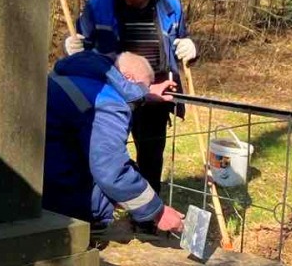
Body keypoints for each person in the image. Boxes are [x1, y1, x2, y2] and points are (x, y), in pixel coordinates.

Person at [64, 0, 196, 196]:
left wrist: (190, 48)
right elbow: (82, 40)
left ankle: (149, 210)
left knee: (151, 156)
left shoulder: (170, 7)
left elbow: (180, 40)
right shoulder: (98, 5)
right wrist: (73, 46)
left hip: (156, 93)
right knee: (107, 153)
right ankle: (100, 207)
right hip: (112, 91)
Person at [43, 51, 185, 233]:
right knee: (108, 187)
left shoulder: (74, 77)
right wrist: (158, 212)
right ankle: (88, 231)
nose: (142, 93)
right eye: (143, 87)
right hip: (55, 192)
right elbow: (112, 170)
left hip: (35, 173)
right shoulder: (110, 103)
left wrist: (143, 93)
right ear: (128, 78)